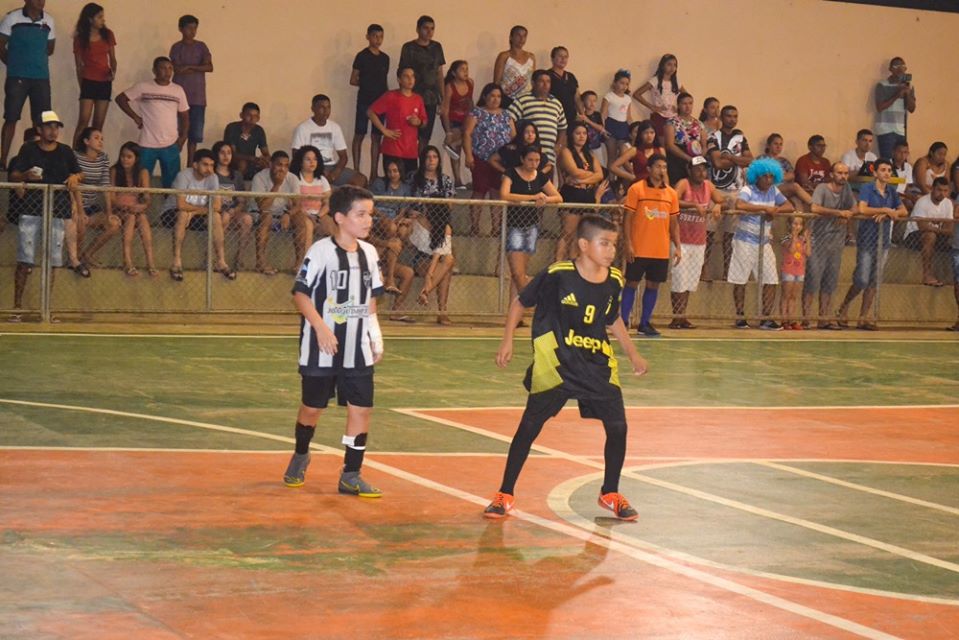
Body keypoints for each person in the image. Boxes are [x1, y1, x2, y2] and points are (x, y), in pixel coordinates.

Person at [483, 215, 648, 521]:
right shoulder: (558, 274)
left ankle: (609, 492)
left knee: (618, 427)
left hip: (597, 363)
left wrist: (633, 354)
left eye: (615, 244)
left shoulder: (615, 279)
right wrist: (508, 341)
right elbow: (520, 302)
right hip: (557, 363)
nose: (612, 250)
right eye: (605, 243)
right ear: (584, 245)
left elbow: (612, 319)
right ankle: (505, 493)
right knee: (529, 427)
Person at [282, 185, 385, 499]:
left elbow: (370, 301)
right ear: (340, 218)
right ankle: (301, 453)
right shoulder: (321, 251)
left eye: (370, 214)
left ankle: (351, 473)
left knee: (361, 410)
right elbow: (301, 294)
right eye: (361, 214)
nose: (368, 220)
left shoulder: (370, 254)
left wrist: (375, 334)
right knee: (312, 408)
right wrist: (321, 328)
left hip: (357, 349)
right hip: (321, 349)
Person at [10, 111, 83, 313]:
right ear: (40, 130)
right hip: (31, 209)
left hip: (58, 210)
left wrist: (76, 176)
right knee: (25, 259)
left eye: (56, 127)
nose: (53, 131)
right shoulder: (28, 149)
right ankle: (17, 306)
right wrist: (26, 175)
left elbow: (78, 171)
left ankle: (46, 308)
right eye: (49, 127)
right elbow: (15, 175)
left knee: (53, 261)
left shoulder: (66, 151)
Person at [836, 159, 907, 330]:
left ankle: (863, 317)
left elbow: (904, 211)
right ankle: (843, 307)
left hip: (883, 242)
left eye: (889, 170)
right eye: (883, 170)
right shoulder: (868, 188)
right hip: (867, 240)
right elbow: (862, 209)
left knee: (874, 281)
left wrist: (891, 213)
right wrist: (884, 210)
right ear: (875, 172)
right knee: (862, 278)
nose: (887, 173)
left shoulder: (891, 192)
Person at [730, 158, 795, 330]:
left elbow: (789, 206)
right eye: (765, 176)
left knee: (771, 279)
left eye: (771, 177)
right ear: (756, 176)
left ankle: (766, 318)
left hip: (764, 242)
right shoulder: (747, 190)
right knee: (740, 279)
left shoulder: (774, 191)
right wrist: (763, 209)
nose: (768, 180)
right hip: (744, 240)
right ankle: (740, 316)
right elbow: (740, 204)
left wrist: (775, 210)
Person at [622, 153, 681, 336]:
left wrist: (678, 246)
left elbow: (674, 223)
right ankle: (623, 321)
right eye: (658, 167)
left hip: (660, 250)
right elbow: (628, 219)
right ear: (649, 169)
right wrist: (628, 243)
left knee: (653, 285)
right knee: (631, 283)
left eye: (664, 167)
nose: (661, 170)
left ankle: (644, 323)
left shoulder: (671, 194)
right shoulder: (636, 189)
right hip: (639, 247)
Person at [115, 56, 189, 188]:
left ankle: (170, 209)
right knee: (142, 183)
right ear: (154, 70)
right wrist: (135, 117)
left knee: (172, 186)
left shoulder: (178, 90)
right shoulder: (143, 87)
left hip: (171, 144)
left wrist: (183, 138)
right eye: (163, 68)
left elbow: (185, 116)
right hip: (147, 144)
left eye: (170, 68)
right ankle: (141, 208)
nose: (167, 72)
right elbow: (120, 99)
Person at [500, 144, 562, 295]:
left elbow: (558, 197)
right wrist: (532, 198)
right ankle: (531, 300)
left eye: (537, 160)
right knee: (517, 272)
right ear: (522, 159)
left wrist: (544, 199)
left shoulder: (540, 176)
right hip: (514, 225)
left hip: (532, 226)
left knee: (521, 272)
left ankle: (515, 311)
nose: (534, 164)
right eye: (530, 160)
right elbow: (505, 194)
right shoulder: (511, 173)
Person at [0, 0, 55, 170]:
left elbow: (50, 48)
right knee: (11, 118)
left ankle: (39, 162)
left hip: (41, 78)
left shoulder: (49, 21)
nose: (41, 2)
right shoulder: (12, 18)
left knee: (42, 121)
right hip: (17, 77)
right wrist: (13, 64)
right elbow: (0, 45)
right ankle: (2, 161)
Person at [162, 148, 231, 282]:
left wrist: (193, 212)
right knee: (182, 214)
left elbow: (217, 207)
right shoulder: (183, 176)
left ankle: (221, 261)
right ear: (195, 165)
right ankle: (176, 262)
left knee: (216, 216)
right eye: (205, 164)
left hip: (194, 215)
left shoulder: (213, 177)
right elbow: (181, 205)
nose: (209, 169)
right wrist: (192, 211)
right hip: (171, 213)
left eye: (212, 165)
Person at [671, 156, 723, 328]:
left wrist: (718, 205)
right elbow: (673, 199)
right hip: (682, 240)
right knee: (679, 278)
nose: (702, 172)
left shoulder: (708, 185)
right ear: (689, 170)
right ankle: (676, 316)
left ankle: (682, 316)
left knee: (690, 281)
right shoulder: (684, 184)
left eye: (704, 169)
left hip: (699, 240)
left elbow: (721, 199)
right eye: (698, 169)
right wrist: (693, 205)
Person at [804, 162, 856, 329]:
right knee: (813, 279)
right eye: (840, 173)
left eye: (846, 173)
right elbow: (814, 207)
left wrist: (848, 214)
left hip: (836, 242)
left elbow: (854, 207)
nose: (843, 176)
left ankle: (824, 317)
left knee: (829, 281)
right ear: (832, 174)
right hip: (818, 240)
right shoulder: (822, 188)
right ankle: (805, 317)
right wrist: (838, 213)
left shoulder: (846, 189)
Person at [411, 146, 456, 323]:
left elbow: (438, 254)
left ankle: (434, 302)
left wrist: (429, 279)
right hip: (421, 259)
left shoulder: (445, 227)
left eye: (435, 157)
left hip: (437, 259)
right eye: (428, 157)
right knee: (448, 264)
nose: (431, 160)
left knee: (448, 261)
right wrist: (429, 276)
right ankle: (441, 311)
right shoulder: (421, 221)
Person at [706, 105, 753, 278]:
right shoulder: (713, 137)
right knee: (709, 233)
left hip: (736, 191)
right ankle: (705, 269)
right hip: (716, 190)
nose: (732, 119)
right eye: (728, 116)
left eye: (735, 116)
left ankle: (727, 270)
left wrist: (732, 158)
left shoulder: (741, 137)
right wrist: (739, 160)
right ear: (721, 117)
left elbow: (750, 160)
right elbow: (717, 163)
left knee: (730, 235)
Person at [463, 82, 514, 235]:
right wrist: (468, 155)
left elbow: (514, 135)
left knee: (497, 193)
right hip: (481, 158)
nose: (495, 99)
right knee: (479, 191)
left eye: (499, 96)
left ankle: (496, 228)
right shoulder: (477, 112)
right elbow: (467, 134)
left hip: (500, 161)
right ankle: (474, 226)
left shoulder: (506, 114)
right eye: (492, 95)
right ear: (485, 96)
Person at [292, 94, 366, 187]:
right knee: (327, 188)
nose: (326, 111)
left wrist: (335, 173)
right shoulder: (303, 128)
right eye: (322, 107)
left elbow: (343, 157)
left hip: (332, 167)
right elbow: (296, 155)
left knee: (361, 180)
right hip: (311, 168)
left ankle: (341, 194)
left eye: (328, 107)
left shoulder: (335, 127)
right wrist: (318, 170)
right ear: (313, 108)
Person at [251, 150, 303, 276]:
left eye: (286, 166)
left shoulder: (292, 178)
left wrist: (288, 214)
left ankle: (299, 264)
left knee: (302, 221)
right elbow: (263, 206)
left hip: (283, 214)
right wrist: (277, 185)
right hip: (259, 214)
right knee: (267, 216)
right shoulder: (259, 177)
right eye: (279, 165)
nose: (283, 169)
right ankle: (260, 262)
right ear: (271, 164)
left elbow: (298, 205)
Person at [71, 3, 115, 150]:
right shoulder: (80, 39)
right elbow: (79, 66)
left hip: (104, 82)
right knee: (83, 121)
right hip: (88, 81)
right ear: (90, 19)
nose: (103, 20)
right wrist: (81, 85)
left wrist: (113, 72)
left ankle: (93, 155)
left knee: (98, 124)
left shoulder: (108, 34)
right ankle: (75, 156)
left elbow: (113, 59)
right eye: (99, 17)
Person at [169, 14, 212, 165]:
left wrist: (190, 66)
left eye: (195, 28)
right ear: (181, 29)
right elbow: (177, 69)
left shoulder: (201, 46)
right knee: (178, 133)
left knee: (194, 136)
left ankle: (190, 166)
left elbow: (209, 66)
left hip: (198, 98)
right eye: (189, 28)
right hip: (179, 97)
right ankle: (174, 165)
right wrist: (196, 67)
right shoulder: (176, 47)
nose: (193, 31)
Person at [74, 126, 119, 268]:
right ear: (86, 141)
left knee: (113, 224)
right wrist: (80, 211)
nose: (100, 141)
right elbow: (74, 184)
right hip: (75, 204)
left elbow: (106, 186)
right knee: (80, 224)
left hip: (92, 205)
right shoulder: (76, 156)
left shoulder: (103, 158)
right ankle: (75, 259)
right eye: (96, 138)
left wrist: (109, 213)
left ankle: (87, 254)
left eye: (102, 139)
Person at [368, 67, 426, 177]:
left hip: (411, 151)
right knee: (393, 185)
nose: (410, 79)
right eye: (406, 76)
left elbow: (424, 122)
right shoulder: (391, 96)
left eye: (412, 76)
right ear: (399, 80)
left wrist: (418, 122)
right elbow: (371, 112)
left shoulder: (418, 99)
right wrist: (383, 130)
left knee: (410, 186)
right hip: (392, 150)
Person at [110, 141, 156, 277]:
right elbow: (111, 197)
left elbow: (147, 198)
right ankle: (127, 260)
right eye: (123, 156)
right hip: (119, 209)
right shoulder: (114, 170)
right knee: (130, 217)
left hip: (135, 210)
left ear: (136, 158)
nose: (125, 159)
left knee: (142, 217)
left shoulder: (142, 172)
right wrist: (123, 206)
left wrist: (141, 206)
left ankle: (150, 261)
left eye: (129, 157)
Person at [557, 122, 603, 260]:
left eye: (584, 133)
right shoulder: (566, 151)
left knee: (581, 234)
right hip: (572, 193)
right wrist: (591, 176)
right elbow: (574, 171)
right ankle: (557, 263)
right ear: (571, 135)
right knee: (568, 232)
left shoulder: (589, 154)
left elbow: (600, 175)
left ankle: (574, 263)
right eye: (578, 133)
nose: (581, 136)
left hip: (587, 194)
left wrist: (583, 181)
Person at [399, 15, 445, 151]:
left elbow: (439, 74)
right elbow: (402, 72)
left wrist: (443, 99)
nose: (429, 32)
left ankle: (421, 167)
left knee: (425, 135)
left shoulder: (437, 47)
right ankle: (409, 167)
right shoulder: (409, 47)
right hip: (412, 96)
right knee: (409, 133)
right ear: (418, 29)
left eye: (432, 29)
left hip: (431, 97)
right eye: (426, 28)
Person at [350, 24, 389, 183]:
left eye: (380, 36)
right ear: (368, 37)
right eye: (374, 36)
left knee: (376, 136)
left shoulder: (385, 58)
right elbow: (353, 79)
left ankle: (374, 172)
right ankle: (357, 171)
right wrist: (367, 84)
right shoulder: (361, 56)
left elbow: (384, 80)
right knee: (359, 134)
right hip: (365, 99)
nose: (378, 40)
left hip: (381, 101)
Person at [370, 158, 412, 295]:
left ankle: (390, 279)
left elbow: (403, 210)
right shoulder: (379, 183)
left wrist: (398, 220)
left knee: (398, 236)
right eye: (389, 171)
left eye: (395, 171)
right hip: (377, 217)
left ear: (401, 172)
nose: (392, 174)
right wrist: (385, 218)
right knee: (393, 231)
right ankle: (389, 278)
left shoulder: (405, 188)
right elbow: (371, 205)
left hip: (393, 219)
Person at [508, 69, 567, 165]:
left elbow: (563, 128)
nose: (545, 84)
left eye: (548, 81)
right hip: (528, 156)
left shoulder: (557, 103)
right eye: (541, 81)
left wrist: (559, 145)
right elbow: (508, 119)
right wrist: (515, 139)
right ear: (533, 83)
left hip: (549, 157)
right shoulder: (523, 100)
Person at [211, 140, 253, 272]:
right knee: (223, 217)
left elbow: (241, 201)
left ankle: (239, 258)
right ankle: (215, 257)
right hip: (215, 213)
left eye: (229, 153)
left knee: (247, 219)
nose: (226, 156)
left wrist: (234, 210)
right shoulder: (211, 174)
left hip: (232, 212)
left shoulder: (237, 175)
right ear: (216, 155)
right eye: (222, 152)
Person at [903, 177, 953, 286]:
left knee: (953, 239)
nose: (942, 194)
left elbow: (950, 229)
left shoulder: (948, 203)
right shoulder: (922, 202)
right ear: (933, 189)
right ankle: (927, 274)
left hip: (936, 236)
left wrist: (936, 228)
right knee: (930, 236)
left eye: (945, 191)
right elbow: (922, 227)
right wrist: (940, 228)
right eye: (939, 190)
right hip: (912, 237)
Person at [632, 54, 685, 144]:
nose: (672, 67)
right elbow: (637, 94)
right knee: (661, 143)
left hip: (673, 117)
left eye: (674, 65)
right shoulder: (655, 80)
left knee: (674, 142)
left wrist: (679, 109)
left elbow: (686, 96)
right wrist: (652, 106)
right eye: (669, 64)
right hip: (659, 116)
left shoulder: (676, 82)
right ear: (662, 65)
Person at [290, 145, 333, 251]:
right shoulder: (294, 179)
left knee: (335, 228)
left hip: (319, 214)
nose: (312, 162)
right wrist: (308, 216)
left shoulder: (322, 179)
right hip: (300, 214)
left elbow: (327, 203)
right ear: (300, 162)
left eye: (315, 159)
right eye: (308, 159)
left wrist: (318, 216)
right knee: (307, 225)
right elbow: (292, 203)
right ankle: (305, 262)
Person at [439, 60, 473, 190]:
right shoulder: (450, 86)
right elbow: (445, 110)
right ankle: (458, 180)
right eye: (462, 69)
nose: (465, 71)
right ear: (454, 73)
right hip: (452, 119)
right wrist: (448, 131)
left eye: (466, 69)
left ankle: (453, 142)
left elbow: (470, 103)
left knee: (469, 144)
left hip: (465, 119)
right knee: (457, 149)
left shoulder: (470, 83)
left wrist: (473, 118)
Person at [875, 57, 916, 160]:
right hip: (886, 130)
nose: (900, 69)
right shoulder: (882, 85)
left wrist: (907, 93)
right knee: (887, 162)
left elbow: (912, 108)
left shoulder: (908, 86)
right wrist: (897, 95)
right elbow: (880, 107)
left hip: (901, 131)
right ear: (890, 69)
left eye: (903, 66)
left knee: (900, 162)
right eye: (896, 66)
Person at [663, 91, 705, 185]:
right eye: (684, 103)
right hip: (677, 160)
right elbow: (670, 145)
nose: (688, 106)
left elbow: (704, 145)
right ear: (678, 105)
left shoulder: (699, 124)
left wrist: (699, 159)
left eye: (690, 103)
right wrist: (688, 159)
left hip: (695, 161)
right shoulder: (671, 122)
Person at [222, 102, 270, 181]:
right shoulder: (232, 128)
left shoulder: (259, 130)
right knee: (242, 163)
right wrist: (251, 158)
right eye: (249, 115)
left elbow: (265, 152)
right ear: (241, 115)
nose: (252, 118)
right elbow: (231, 153)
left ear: (258, 118)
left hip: (252, 161)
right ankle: (238, 186)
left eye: (255, 116)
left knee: (269, 165)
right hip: (234, 161)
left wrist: (267, 160)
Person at [609, 120, 663, 186]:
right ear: (641, 134)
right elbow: (613, 167)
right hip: (639, 187)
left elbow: (665, 173)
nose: (649, 136)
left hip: (657, 187)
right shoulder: (634, 150)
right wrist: (632, 177)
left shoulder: (660, 150)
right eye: (646, 133)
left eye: (652, 133)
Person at [780, 215, 811, 330]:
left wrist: (807, 240)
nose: (797, 227)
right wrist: (793, 236)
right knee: (786, 295)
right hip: (788, 270)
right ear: (789, 225)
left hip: (800, 271)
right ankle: (784, 319)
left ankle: (792, 319)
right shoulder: (786, 238)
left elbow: (808, 253)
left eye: (800, 224)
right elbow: (791, 249)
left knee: (794, 296)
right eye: (795, 224)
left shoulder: (803, 239)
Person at [493, 25, 534, 102]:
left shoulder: (531, 57)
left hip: (526, 100)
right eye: (518, 35)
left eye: (524, 36)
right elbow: (496, 82)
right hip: (507, 99)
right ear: (511, 37)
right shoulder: (504, 56)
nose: (521, 39)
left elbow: (532, 80)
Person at [601, 70, 633, 165]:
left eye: (626, 84)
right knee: (612, 155)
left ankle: (620, 176)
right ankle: (611, 179)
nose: (624, 86)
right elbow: (603, 114)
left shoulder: (628, 98)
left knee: (624, 154)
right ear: (615, 83)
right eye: (621, 83)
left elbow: (629, 116)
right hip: (611, 125)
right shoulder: (609, 96)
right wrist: (603, 129)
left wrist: (632, 128)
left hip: (623, 127)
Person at [547, 46, 579, 127]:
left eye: (565, 57)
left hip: (571, 118)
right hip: (553, 118)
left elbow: (577, 98)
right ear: (553, 58)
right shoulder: (547, 75)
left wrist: (582, 115)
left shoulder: (571, 76)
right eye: (560, 56)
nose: (563, 59)